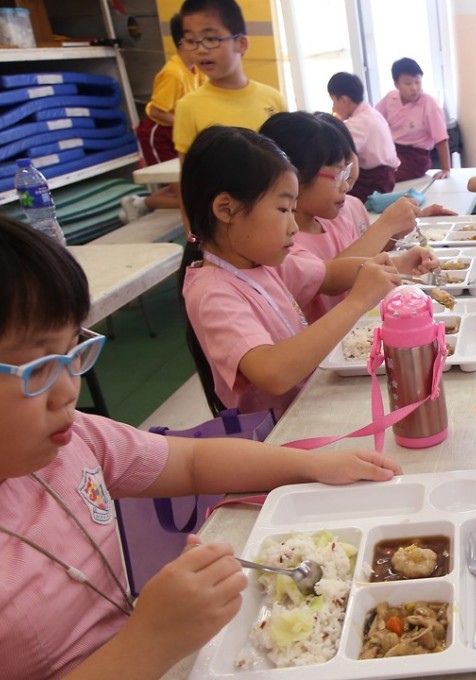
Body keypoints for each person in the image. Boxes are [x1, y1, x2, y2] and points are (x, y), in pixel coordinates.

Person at [0, 214, 402, 680]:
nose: (68, 389)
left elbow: (191, 462)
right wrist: (149, 641)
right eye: (37, 368)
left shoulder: (74, 441)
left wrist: (313, 465)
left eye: (73, 354)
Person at [178, 126, 437, 416]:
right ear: (226, 209)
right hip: (279, 436)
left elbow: (328, 274)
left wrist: (393, 263)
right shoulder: (213, 292)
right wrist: (357, 302)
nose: (293, 225)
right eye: (283, 210)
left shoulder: (260, 260)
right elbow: (273, 373)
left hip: (312, 405)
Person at [258, 111, 452, 323]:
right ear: (295, 177)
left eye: (347, 170)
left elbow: (360, 260)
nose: (346, 185)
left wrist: (397, 241)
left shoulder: (333, 217)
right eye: (338, 175)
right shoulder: (281, 243)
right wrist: (386, 226)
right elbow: (331, 278)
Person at [120, 13, 205, 223]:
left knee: (189, 187)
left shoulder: (198, 71)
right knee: (189, 198)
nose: (204, 48)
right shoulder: (173, 74)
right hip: (158, 132)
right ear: (182, 43)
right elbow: (157, 111)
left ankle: (140, 202)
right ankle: (141, 204)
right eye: (196, 42)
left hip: (178, 130)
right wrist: (186, 124)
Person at [172, 0, 286, 157]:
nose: (201, 49)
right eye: (191, 41)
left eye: (211, 39)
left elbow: (289, 162)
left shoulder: (273, 98)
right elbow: (189, 174)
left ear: (241, 44)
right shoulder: (188, 107)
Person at [327, 72, 400, 202]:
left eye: (333, 101)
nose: (333, 107)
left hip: (375, 180)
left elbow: (343, 155)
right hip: (386, 175)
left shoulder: (357, 123)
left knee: (331, 190)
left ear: (344, 100)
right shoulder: (371, 113)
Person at [375, 57, 451, 181]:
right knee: (367, 171)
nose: (414, 88)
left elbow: (441, 139)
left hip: (415, 157)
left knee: (384, 177)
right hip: (391, 150)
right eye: (408, 83)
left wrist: (446, 169)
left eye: (418, 82)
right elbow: (374, 119)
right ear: (396, 84)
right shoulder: (390, 98)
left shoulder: (429, 103)